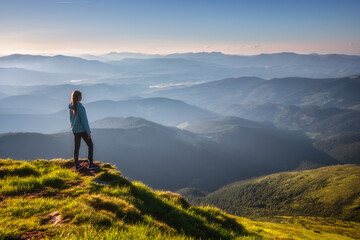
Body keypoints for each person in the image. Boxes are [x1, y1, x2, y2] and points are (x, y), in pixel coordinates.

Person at [69, 90, 98, 171]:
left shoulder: (71, 106)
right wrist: (88, 132)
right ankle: (91, 164)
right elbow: (84, 121)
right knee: (90, 145)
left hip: (75, 130)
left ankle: (77, 165)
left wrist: (73, 127)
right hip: (82, 130)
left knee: (76, 147)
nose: (82, 97)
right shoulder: (80, 108)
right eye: (81, 96)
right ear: (78, 97)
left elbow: (71, 119)